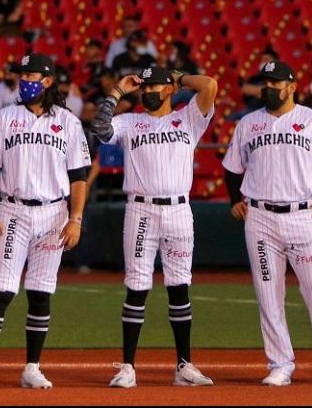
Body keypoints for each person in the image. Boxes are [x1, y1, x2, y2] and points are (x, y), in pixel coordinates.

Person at [223, 60, 312, 387]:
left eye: (275, 82)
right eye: (265, 82)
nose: (269, 87)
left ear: (292, 86)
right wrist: (234, 201)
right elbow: (231, 167)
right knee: (269, 294)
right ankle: (280, 363)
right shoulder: (248, 123)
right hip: (260, 219)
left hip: (304, 217)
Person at [0, 53, 91, 390]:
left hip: (54, 213)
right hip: (13, 211)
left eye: (31, 75)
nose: (25, 81)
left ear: (48, 81)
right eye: (22, 76)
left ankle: (32, 367)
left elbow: (79, 176)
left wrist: (76, 218)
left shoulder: (68, 122)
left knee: (40, 293)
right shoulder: (5, 117)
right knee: (2, 290)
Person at [92, 66, 217, 388]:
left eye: (155, 86)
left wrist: (179, 77)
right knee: (137, 285)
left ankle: (184, 366)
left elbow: (210, 86)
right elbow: (100, 128)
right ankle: (128, 367)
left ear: (169, 89)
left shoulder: (188, 119)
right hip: (141, 210)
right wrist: (118, 91)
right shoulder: (130, 121)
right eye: (144, 86)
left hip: (178, 210)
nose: (148, 91)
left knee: (179, 286)